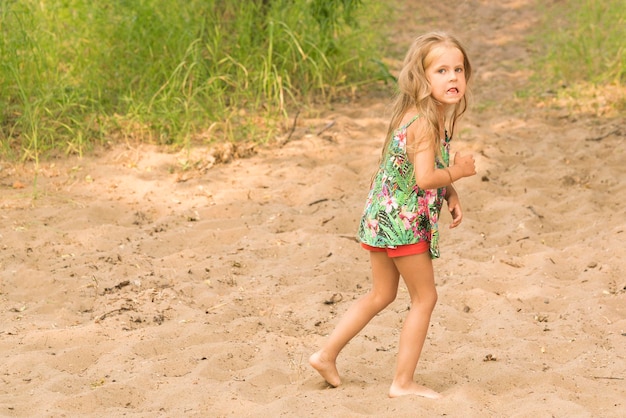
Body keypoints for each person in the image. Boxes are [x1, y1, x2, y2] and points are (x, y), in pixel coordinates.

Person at [309, 31, 477, 399]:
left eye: (458, 70)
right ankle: (402, 382)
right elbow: (424, 177)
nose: (453, 78)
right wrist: (458, 172)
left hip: (382, 214)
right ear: (422, 78)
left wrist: (450, 192)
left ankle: (325, 354)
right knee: (425, 298)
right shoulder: (425, 122)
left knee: (381, 294)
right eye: (442, 71)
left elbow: (422, 170)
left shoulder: (419, 113)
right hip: (402, 223)